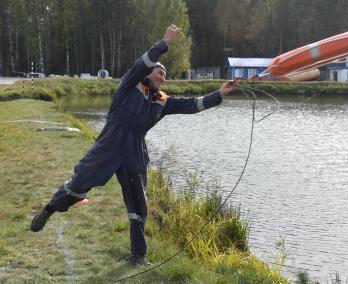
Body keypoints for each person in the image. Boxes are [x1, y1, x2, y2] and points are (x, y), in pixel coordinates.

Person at [30, 24, 237, 265]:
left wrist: (220, 93)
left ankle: (138, 255)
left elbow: (193, 105)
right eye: (159, 72)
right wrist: (165, 43)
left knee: (138, 203)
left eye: (165, 75)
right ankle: (50, 209)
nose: (162, 76)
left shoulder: (163, 101)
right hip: (110, 144)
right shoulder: (129, 84)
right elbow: (142, 64)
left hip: (135, 152)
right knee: (79, 184)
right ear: (148, 73)